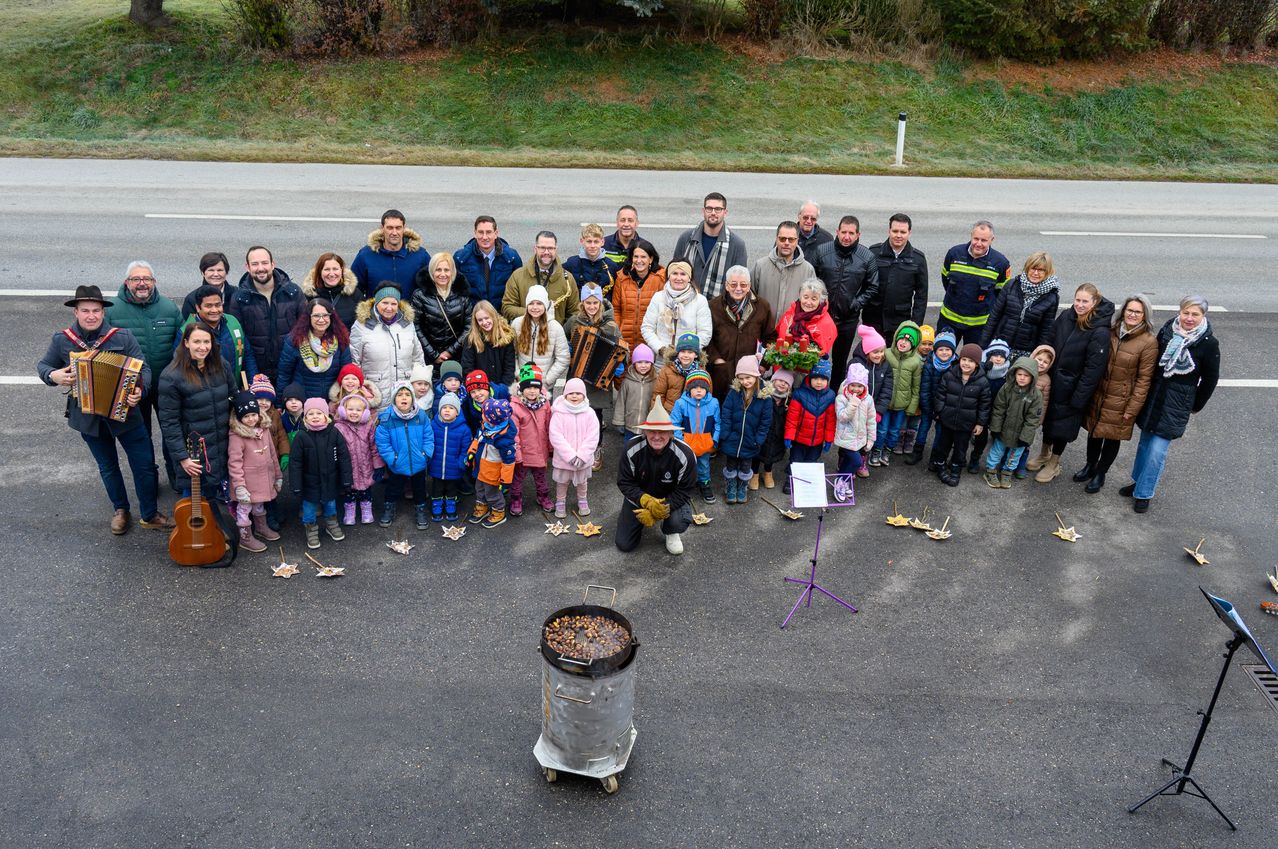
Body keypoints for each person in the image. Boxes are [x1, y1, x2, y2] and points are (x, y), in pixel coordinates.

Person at [37, 285, 171, 535]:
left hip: (126, 414)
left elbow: (144, 369)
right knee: (108, 467)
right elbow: (44, 365)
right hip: (88, 418)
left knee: (143, 464)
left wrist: (140, 389)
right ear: (76, 312)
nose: (91, 315)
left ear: (103, 312)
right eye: (85, 310)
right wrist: (53, 375)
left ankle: (150, 513)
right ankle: (121, 510)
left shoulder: (122, 337)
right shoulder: (63, 340)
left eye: (96, 310)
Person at [1121, 296, 1219, 514]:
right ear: (1180, 312)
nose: (1189, 318)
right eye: (1186, 313)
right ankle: (1138, 482)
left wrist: (1195, 404)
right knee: (1145, 444)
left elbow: (1210, 379)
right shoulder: (1168, 330)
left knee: (1157, 451)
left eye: (1195, 314)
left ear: (1203, 316)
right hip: (1154, 396)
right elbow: (1153, 361)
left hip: (1176, 404)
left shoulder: (1208, 343)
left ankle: (1144, 494)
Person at [106, 261, 182, 489]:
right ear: (126, 282)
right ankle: (149, 479)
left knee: (172, 434)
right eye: (135, 279)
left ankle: (177, 476)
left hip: (166, 386)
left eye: (146, 279)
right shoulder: (111, 311)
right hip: (131, 390)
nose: (141, 283)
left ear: (154, 282)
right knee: (141, 437)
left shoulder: (169, 308)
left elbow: (181, 347)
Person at [1031, 283, 1113, 483]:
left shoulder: (1099, 331)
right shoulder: (1067, 316)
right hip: (1054, 381)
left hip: (1073, 388)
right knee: (1049, 420)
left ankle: (1054, 462)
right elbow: (1050, 340)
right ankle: (1044, 453)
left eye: (1085, 301)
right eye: (1078, 300)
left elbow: (1093, 370)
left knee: (1063, 428)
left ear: (1094, 303)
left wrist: (1079, 397)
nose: (1080, 305)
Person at [1077, 294, 1158, 494]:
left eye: (1137, 312)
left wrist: (1133, 407)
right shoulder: (1111, 331)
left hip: (1122, 399)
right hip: (1100, 392)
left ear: (1144, 315)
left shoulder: (1148, 342)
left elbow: (1144, 379)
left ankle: (1100, 473)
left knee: (1112, 437)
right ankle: (1090, 465)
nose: (1132, 314)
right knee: (1094, 431)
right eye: (1129, 310)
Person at [158, 322, 235, 505]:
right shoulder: (171, 377)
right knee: (192, 499)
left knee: (213, 493)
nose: (203, 347)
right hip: (195, 449)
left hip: (221, 442)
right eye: (197, 342)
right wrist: (183, 458)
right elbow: (169, 423)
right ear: (186, 343)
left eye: (207, 342)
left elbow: (233, 396)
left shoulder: (221, 365)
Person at [615, 403, 697, 555]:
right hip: (640, 498)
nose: (657, 436)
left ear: (671, 433)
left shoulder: (685, 453)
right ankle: (636, 520)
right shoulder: (631, 448)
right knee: (624, 544)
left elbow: (686, 489)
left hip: (670, 498)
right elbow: (625, 482)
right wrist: (645, 501)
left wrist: (662, 508)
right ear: (645, 432)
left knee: (678, 521)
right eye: (652, 431)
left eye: (662, 432)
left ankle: (670, 531)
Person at [811, 215, 879, 379]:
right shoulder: (822, 251)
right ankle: (814, 396)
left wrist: (855, 303)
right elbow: (812, 279)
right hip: (822, 317)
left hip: (847, 319)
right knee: (816, 359)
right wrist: (817, 304)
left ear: (858, 235)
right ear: (837, 232)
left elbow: (873, 286)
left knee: (840, 363)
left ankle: (835, 396)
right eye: (843, 232)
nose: (846, 237)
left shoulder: (866, 256)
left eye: (851, 233)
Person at [226, 245, 305, 385]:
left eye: (264, 263)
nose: (260, 268)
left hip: (291, 367)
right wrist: (252, 374)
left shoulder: (293, 293)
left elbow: (304, 330)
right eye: (255, 264)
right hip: (256, 369)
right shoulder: (239, 298)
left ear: (273, 264)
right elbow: (239, 339)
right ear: (247, 267)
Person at [565, 284, 624, 460]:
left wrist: (618, 364)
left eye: (595, 303)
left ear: (600, 303)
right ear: (582, 303)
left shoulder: (610, 325)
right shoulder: (574, 321)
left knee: (595, 415)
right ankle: (576, 446)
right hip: (577, 375)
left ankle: (596, 447)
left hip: (599, 379)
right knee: (575, 413)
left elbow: (621, 347)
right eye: (588, 303)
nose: (592, 307)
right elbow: (563, 336)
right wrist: (569, 347)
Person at [707, 265, 775, 403]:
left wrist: (763, 364)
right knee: (721, 410)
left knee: (746, 411)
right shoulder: (713, 306)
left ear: (749, 285)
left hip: (749, 373)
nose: (738, 288)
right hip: (721, 372)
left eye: (743, 285)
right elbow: (707, 338)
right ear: (726, 285)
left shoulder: (762, 306)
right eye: (733, 284)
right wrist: (717, 360)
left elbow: (771, 338)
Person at [290, 398, 353, 548]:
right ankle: (310, 528)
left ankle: (331, 523)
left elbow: (344, 457)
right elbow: (295, 463)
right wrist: (296, 485)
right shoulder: (301, 436)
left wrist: (346, 479)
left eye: (319, 413)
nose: (315, 416)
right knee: (309, 508)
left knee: (330, 504)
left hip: (330, 479)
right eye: (310, 413)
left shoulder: (334, 432)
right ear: (305, 417)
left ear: (326, 415)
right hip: (309, 482)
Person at [350, 281, 425, 405]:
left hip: (404, 394)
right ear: (376, 302)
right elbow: (354, 361)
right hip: (374, 393)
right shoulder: (361, 325)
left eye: (393, 303)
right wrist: (361, 389)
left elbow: (418, 357)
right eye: (385, 302)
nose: (389, 308)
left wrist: (419, 383)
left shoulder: (407, 324)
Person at [929, 343, 992, 487]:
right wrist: (939, 411)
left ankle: (956, 470)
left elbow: (985, 405)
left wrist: (980, 423)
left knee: (960, 448)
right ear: (959, 359)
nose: (966, 363)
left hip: (966, 425)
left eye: (971, 361)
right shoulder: (949, 375)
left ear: (977, 364)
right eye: (964, 359)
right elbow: (940, 395)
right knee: (942, 446)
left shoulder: (982, 382)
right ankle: (940, 466)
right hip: (947, 421)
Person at [938, 221, 1012, 345]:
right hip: (949, 320)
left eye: (983, 240)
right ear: (971, 236)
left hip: (979, 326)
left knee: (973, 362)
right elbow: (946, 280)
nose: (978, 244)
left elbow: (1001, 295)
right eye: (976, 239)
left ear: (992, 240)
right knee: (941, 358)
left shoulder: (1001, 263)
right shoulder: (954, 254)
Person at [227, 390, 282, 552]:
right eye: (246, 416)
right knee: (244, 509)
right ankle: (245, 537)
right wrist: (239, 487)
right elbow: (234, 463)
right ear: (239, 418)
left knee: (259, 505)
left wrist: (277, 476)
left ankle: (261, 528)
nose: (251, 419)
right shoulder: (237, 436)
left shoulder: (264, 430)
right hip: (247, 483)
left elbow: (272, 454)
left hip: (263, 479)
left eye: (253, 415)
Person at [979, 251, 1060, 360]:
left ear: (1047, 272)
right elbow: (994, 316)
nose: (1036, 273)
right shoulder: (1011, 285)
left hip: (1026, 352)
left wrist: (1039, 355)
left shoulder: (1051, 297)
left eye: (1041, 270)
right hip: (1000, 345)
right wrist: (983, 345)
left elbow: (1045, 330)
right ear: (1027, 268)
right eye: (1033, 268)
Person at [374, 382, 433, 530]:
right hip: (397, 463)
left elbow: (428, 436)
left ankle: (420, 510)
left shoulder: (420, 415)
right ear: (394, 399)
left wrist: (425, 454)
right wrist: (392, 458)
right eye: (399, 395)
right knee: (393, 488)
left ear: (413, 398)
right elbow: (382, 442)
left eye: (407, 394)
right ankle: (389, 508)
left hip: (418, 462)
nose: (404, 398)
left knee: (419, 488)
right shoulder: (388, 418)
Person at [673, 191, 748, 300]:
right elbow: (674, 272)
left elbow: (739, 284)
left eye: (718, 209)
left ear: (725, 212)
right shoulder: (686, 238)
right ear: (703, 211)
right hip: (686, 305)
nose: (713, 212)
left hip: (718, 311)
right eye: (709, 208)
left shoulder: (737, 245)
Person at [982, 358, 1044, 489]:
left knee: (1014, 455)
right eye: (1019, 374)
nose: (1022, 378)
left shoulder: (1036, 395)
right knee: (997, 451)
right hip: (1004, 430)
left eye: (1026, 376)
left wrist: (1025, 437)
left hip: (1021, 434)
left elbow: (1033, 419)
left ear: (1032, 377)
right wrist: (996, 428)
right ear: (1014, 374)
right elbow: (999, 409)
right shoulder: (1006, 388)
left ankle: (1007, 472)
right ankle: (990, 470)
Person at [276, 298, 353, 402]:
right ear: (308, 318)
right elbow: (284, 375)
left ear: (331, 317)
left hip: (332, 401)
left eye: (325, 315)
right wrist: (280, 403)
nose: (321, 320)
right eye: (316, 316)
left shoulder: (340, 339)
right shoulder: (295, 340)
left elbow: (347, 372)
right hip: (302, 401)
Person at [718, 355, 772, 504]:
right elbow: (726, 412)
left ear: (756, 374)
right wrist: (725, 433)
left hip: (750, 440)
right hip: (732, 439)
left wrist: (758, 439)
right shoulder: (734, 392)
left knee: (745, 467)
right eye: (741, 378)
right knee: (730, 466)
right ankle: (731, 486)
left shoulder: (765, 397)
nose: (744, 382)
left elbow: (765, 422)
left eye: (748, 377)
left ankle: (742, 487)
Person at [178, 284, 256, 387]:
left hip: (233, 388)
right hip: (204, 394)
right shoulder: (185, 332)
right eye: (208, 306)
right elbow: (180, 367)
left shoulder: (233, 323)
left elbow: (247, 355)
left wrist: (253, 383)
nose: (215, 310)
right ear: (198, 307)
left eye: (218, 305)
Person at [866, 213, 927, 338]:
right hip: (873, 320)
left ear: (909, 233)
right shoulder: (874, 252)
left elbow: (921, 295)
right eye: (895, 231)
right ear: (889, 231)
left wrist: (915, 325)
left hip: (900, 322)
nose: (898, 235)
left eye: (903, 232)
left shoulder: (918, 259)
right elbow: (863, 283)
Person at [641, 260, 713, 362]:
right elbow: (647, 328)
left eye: (683, 274)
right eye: (674, 273)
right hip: (661, 360)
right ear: (669, 276)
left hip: (688, 361)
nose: (678, 278)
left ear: (689, 278)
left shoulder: (700, 300)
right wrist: (662, 349)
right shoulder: (658, 298)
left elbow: (705, 332)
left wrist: (686, 351)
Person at [549, 378, 601, 518]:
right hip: (564, 459)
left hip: (583, 459)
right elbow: (556, 436)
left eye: (578, 393)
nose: (574, 396)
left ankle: (582, 500)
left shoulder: (589, 413)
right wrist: (570, 456)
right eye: (571, 393)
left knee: (582, 481)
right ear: (565, 394)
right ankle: (560, 502)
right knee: (562, 482)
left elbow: (593, 436)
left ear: (584, 395)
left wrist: (583, 455)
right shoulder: (558, 413)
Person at [783, 358, 836, 493]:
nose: (819, 382)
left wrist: (829, 439)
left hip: (817, 440)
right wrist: (789, 436)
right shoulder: (799, 394)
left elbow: (830, 421)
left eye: (823, 379)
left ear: (827, 380)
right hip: (800, 438)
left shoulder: (830, 396)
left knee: (811, 461)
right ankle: (791, 479)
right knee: (795, 460)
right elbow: (792, 419)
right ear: (810, 378)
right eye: (816, 378)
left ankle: (805, 482)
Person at [502, 231, 579, 325]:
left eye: (550, 248)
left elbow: (574, 313)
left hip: (554, 336)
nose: (546, 252)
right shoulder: (517, 276)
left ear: (556, 249)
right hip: (525, 335)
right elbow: (507, 308)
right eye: (542, 248)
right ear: (535, 249)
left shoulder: (568, 279)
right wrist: (533, 312)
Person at [351, 209, 431, 299]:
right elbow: (354, 290)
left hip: (412, 312)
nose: (394, 232)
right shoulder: (365, 256)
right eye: (390, 228)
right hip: (377, 312)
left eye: (398, 228)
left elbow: (432, 287)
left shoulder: (420, 255)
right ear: (382, 228)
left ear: (404, 228)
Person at [412, 252, 473, 368]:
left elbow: (469, 327)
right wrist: (433, 354)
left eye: (446, 270)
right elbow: (416, 327)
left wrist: (450, 351)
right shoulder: (420, 295)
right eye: (438, 270)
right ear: (431, 272)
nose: (442, 274)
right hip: (428, 358)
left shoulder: (462, 295)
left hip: (457, 358)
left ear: (452, 272)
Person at [466, 397, 518, 529]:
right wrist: (471, 452)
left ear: (493, 419)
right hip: (480, 468)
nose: (482, 415)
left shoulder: (504, 441)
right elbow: (478, 439)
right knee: (479, 489)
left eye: (484, 414)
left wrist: (505, 481)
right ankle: (482, 507)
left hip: (493, 473)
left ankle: (498, 512)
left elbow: (509, 462)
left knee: (492, 494)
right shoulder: (485, 427)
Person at [509, 364, 554, 517]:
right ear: (521, 388)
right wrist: (517, 453)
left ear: (540, 389)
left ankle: (543, 496)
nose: (532, 391)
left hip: (539, 449)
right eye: (528, 388)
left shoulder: (545, 404)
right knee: (517, 479)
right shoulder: (515, 407)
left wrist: (550, 447)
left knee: (541, 477)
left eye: (535, 388)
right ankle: (516, 499)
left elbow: (549, 426)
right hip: (522, 451)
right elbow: (513, 433)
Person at [875, 321, 922, 467]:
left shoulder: (916, 362)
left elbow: (916, 387)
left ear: (913, 345)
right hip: (885, 403)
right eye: (901, 338)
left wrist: (911, 407)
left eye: (908, 341)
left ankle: (887, 451)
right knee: (882, 429)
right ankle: (877, 450)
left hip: (902, 405)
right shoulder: (887, 354)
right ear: (896, 338)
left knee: (895, 431)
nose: (903, 342)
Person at [671, 369, 720, 504]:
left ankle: (704, 484)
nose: (699, 391)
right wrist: (680, 441)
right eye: (695, 387)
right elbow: (674, 423)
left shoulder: (714, 403)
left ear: (707, 389)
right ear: (688, 388)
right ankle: (684, 487)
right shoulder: (681, 403)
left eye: (702, 388)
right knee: (685, 465)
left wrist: (714, 440)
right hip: (686, 442)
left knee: (704, 465)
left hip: (705, 442)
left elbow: (717, 423)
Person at [333, 393, 382, 526]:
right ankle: (350, 510)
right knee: (349, 491)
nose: (354, 413)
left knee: (366, 489)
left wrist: (378, 465)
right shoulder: (338, 427)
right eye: (350, 409)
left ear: (365, 413)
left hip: (365, 465)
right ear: (343, 410)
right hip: (348, 467)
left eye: (358, 410)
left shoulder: (369, 425)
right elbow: (335, 449)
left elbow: (374, 446)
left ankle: (366, 508)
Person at [454, 216, 523, 310]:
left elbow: (518, 291)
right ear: (475, 233)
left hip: (501, 315)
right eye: (481, 232)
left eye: (489, 232)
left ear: (496, 233)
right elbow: (455, 292)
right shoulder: (461, 259)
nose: (484, 237)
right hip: (473, 316)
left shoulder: (511, 258)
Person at [511, 285, 571, 393]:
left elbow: (563, 358)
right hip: (522, 382)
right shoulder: (517, 324)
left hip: (544, 386)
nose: (535, 307)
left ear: (546, 305)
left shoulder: (555, 327)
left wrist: (548, 379)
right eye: (531, 303)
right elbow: (511, 353)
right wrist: (518, 373)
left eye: (539, 303)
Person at [611, 239, 666, 353]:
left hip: (649, 341)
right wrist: (618, 333)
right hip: (624, 339)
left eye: (643, 257)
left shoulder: (660, 279)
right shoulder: (622, 278)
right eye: (636, 257)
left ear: (650, 259)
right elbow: (616, 309)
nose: (639, 261)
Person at [250, 374, 289, 532]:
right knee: (262, 489)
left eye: (267, 400)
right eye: (260, 399)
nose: (264, 403)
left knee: (272, 486)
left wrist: (285, 453)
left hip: (272, 458)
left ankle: (273, 508)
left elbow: (281, 435)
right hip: (257, 459)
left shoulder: (275, 415)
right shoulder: (251, 417)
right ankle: (267, 516)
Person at [753, 221, 816, 319]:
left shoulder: (808, 270)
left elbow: (812, 304)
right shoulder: (760, 266)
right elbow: (750, 299)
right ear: (776, 239)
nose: (786, 243)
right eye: (782, 239)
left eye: (791, 239)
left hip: (792, 332)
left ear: (797, 240)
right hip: (764, 331)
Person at [966, 339, 1012, 473]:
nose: (998, 359)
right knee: (981, 436)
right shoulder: (981, 369)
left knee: (997, 437)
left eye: (1001, 356)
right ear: (989, 355)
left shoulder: (1008, 375)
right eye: (995, 355)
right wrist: (982, 369)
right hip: (980, 410)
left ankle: (992, 461)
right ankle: (974, 460)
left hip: (997, 410)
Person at [912, 330, 956, 466]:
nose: (944, 352)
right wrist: (926, 406)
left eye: (948, 349)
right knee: (923, 427)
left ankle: (934, 457)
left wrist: (942, 410)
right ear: (935, 350)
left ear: (953, 351)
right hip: (929, 405)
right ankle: (917, 452)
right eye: (941, 349)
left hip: (945, 408)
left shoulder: (956, 367)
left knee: (940, 432)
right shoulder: (930, 364)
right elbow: (924, 389)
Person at [851, 324, 893, 463]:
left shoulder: (886, 366)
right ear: (867, 351)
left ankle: (862, 460)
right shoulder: (856, 364)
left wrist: (879, 411)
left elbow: (887, 390)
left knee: (867, 437)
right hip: (856, 409)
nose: (879, 355)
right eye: (875, 352)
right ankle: (846, 460)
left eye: (882, 351)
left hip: (872, 411)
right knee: (851, 437)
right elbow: (850, 388)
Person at [428, 392, 472, 523]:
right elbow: (429, 443)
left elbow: (466, 449)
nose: (447, 410)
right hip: (436, 465)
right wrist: (429, 460)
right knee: (437, 488)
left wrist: (461, 463)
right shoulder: (433, 425)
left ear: (457, 412)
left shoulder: (464, 429)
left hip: (454, 467)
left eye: (451, 408)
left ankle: (451, 505)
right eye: (444, 407)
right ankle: (436, 506)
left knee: (451, 488)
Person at [460, 300, 517, 395]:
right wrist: (481, 390)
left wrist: (502, 390)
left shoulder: (506, 337)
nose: (484, 322)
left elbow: (509, 368)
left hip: (502, 388)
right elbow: (467, 368)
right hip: (479, 391)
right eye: (480, 320)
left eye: (487, 318)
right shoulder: (471, 339)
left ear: (493, 316)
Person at [834, 362, 876, 482]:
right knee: (857, 461)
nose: (856, 389)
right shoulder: (841, 398)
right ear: (848, 384)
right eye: (853, 385)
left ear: (864, 386)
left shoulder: (868, 400)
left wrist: (871, 439)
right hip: (845, 438)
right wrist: (852, 404)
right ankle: (842, 482)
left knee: (848, 461)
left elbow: (871, 420)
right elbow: (842, 417)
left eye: (859, 386)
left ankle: (841, 481)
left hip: (860, 439)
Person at [774, 278, 838, 357]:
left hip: (807, 367)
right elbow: (776, 338)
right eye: (806, 297)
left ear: (820, 301)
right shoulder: (790, 313)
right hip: (780, 364)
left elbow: (821, 353)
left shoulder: (826, 323)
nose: (808, 302)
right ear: (800, 297)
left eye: (814, 299)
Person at [754, 369, 793, 490]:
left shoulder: (788, 400)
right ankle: (754, 474)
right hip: (763, 431)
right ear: (773, 381)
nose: (782, 384)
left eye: (786, 383)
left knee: (771, 454)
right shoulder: (764, 395)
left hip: (778, 433)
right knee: (757, 453)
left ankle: (768, 472)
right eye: (780, 380)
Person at [302, 252, 360, 329]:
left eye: (335, 269)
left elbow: (363, 323)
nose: (332, 274)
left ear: (341, 270)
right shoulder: (309, 296)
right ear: (320, 272)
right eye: (327, 269)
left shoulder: (354, 293)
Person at [613, 344, 658, 440]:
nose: (643, 365)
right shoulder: (627, 381)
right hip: (630, 425)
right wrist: (619, 421)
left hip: (648, 426)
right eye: (640, 362)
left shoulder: (655, 381)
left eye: (647, 362)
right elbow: (621, 402)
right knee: (630, 449)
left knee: (646, 451)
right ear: (634, 364)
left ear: (652, 363)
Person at [653, 333, 703, 413]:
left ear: (696, 355)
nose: (686, 355)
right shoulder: (667, 370)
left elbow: (706, 399)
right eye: (683, 351)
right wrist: (657, 413)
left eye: (690, 352)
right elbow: (659, 394)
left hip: (690, 415)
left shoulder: (702, 374)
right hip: (669, 414)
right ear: (678, 353)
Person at [563, 223, 619, 294]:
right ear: (582, 241)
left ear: (602, 242)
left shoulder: (612, 266)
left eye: (596, 242)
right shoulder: (571, 263)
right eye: (589, 241)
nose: (592, 246)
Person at [181, 252, 232, 320]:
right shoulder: (192, 299)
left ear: (226, 272)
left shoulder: (237, 295)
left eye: (220, 270)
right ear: (203, 273)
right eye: (211, 270)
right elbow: (188, 327)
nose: (216, 274)